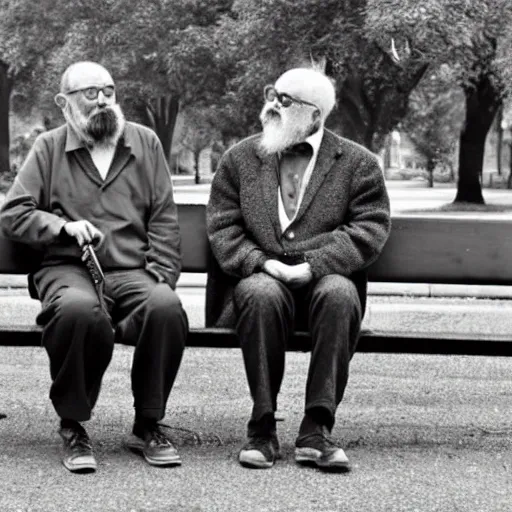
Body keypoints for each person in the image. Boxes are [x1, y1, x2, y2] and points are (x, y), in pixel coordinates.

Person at [0, 62, 188, 473]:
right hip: (67, 269)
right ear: (63, 103)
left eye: (109, 90)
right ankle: (73, 425)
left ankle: (148, 424)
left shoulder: (145, 142)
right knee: (78, 311)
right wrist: (62, 226)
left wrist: (162, 276)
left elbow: (164, 219)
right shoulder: (49, 147)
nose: (102, 100)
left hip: (132, 270)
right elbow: (13, 213)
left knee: (166, 307)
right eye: (90, 93)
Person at [206, 67, 391, 471]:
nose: (272, 103)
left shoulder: (359, 163)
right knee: (259, 292)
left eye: (285, 100)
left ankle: (316, 430)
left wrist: (313, 266)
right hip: (260, 279)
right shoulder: (239, 158)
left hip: (324, 282)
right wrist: (264, 263)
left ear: (315, 115)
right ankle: (262, 428)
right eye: (273, 93)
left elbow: (370, 228)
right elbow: (223, 228)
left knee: (340, 293)